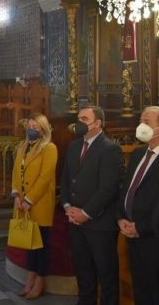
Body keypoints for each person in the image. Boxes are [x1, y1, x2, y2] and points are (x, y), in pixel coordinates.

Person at [60, 105, 122, 305]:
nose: (79, 123)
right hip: (75, 222)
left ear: (98, 124)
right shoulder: (74, 146)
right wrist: (67, 206)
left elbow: (108, 188)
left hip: (99, 224)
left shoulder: (110, 149)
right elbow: (66, 179)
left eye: (84, 119)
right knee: (83, 273)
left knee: (106, 275)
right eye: (79, 118)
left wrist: (86, 213)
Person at [10, 113, 58, 299]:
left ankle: (40, 281)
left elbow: (45, 178)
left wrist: (29, 200)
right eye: (29, 126)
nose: (31, 129)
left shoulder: (49, 148)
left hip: (39, 203)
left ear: (43, 130)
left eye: (35, 127)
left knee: (41, 245)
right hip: (21, 202)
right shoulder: (23, 145)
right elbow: (16, 171)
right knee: (30, 244)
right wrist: (16, 195)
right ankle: (29, 279)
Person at [117, 106, 159, 305]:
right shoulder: (138, 154)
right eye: (140, 121)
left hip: (153, 237)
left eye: (147, 122)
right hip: (131, 236)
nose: (141, 126)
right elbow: (126, 189)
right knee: (140, 289)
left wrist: (141, 227)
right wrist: (121, 217)